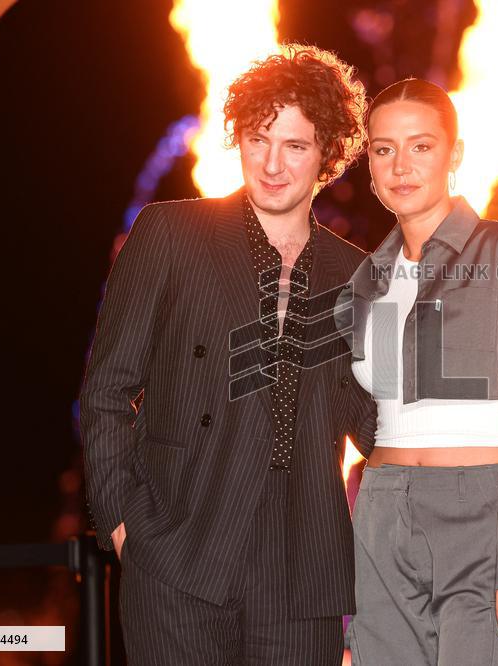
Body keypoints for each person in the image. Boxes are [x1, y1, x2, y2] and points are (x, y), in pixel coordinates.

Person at [79, 44, 376, 665]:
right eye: (259, 138)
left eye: (295, 145)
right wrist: (124, 527)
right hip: (179, 550)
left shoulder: (357, 276)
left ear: (328, 155)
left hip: (301, 571)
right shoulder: (171, 234)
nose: (271, 163)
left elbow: (376, 425)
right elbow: (107, 388)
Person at [337, 79, 498, 665]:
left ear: (454, 154)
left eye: (421, 146)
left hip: (481, 515)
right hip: (382, 512)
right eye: (384, 149)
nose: (401, 166)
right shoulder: (365, 281)